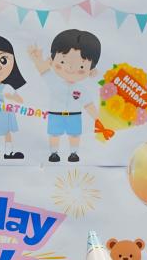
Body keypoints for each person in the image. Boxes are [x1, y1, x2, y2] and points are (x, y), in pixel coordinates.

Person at [28, 29, 101, 162]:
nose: (70, 69)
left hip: (74, 116)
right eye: (62, 62)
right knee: (54, 135)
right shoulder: (53, 82)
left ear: (91, 71)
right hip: (55, 114)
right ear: (51, 61)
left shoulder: (82, 89)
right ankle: (54, 153)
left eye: (81, 67)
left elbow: (88, 105)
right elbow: (43, 70)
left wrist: (98, 119)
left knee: (74, 135)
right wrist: (37, 60)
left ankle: (73, 153)